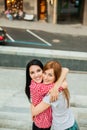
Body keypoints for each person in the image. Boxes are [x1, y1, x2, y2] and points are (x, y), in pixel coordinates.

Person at [31, 61, 80, 130]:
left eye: (50, 75)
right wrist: (56, 86)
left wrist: (33, 95)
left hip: (64, 127)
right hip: (71, 123)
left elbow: (34, 111)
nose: (45, 77)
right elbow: (65, 69)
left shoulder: (52, 95)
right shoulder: (59, 86)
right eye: (45, 73)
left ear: (56, 77)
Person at [25, 59, 69, 130]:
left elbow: (65, 69)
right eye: (32, 73)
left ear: (43, 70)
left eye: (38, 71)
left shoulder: (35, 83)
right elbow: (64, 84)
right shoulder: (39, 87)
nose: (36, 75)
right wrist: (56, 87)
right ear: (29, 75)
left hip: (39, 121)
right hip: (43, 124)